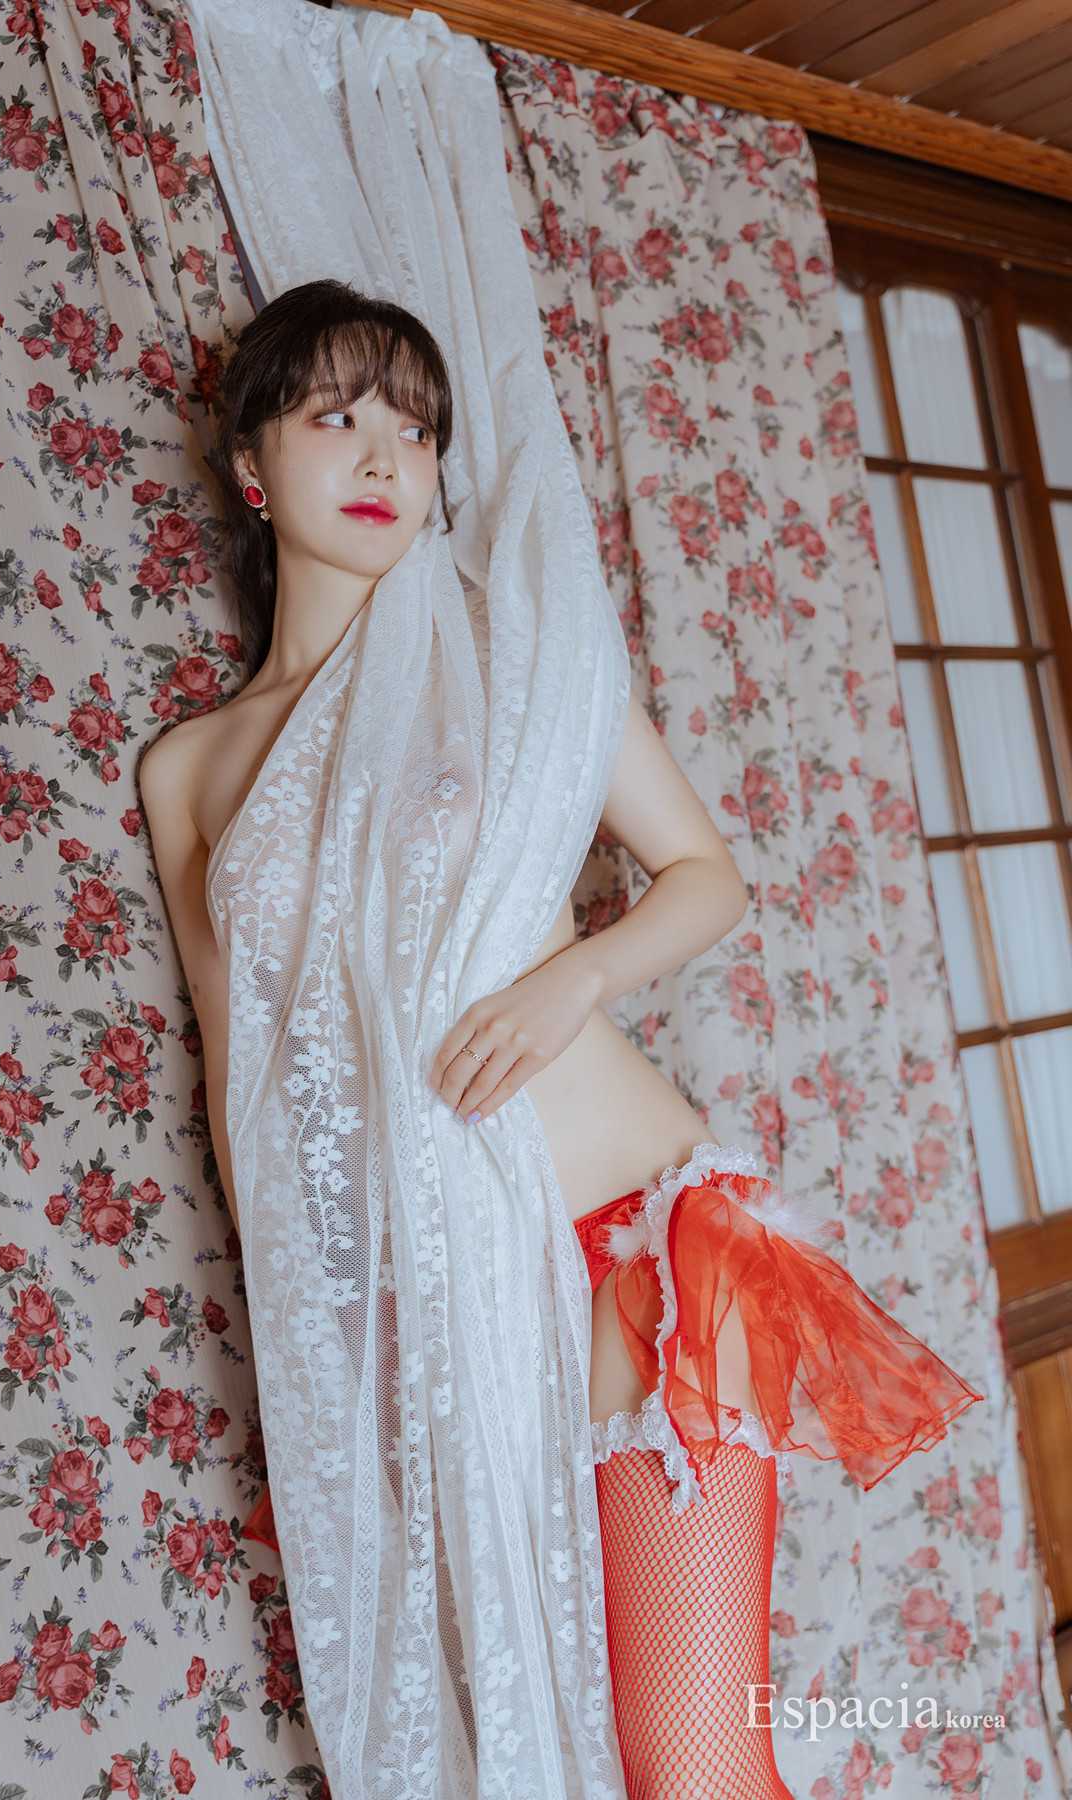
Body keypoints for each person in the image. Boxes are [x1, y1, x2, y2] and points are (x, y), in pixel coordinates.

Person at [141, 279, 984, 1799]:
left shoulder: (503, 656)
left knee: (690, 1762)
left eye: (416, 428)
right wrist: (335, 1355)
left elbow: (705, 874)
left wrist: (565, 983)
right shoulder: (191, 769)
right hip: (438, 1309)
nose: (385, 456)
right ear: (252, 465)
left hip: (637, 1252)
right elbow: (240, 1087)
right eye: (338, 416)